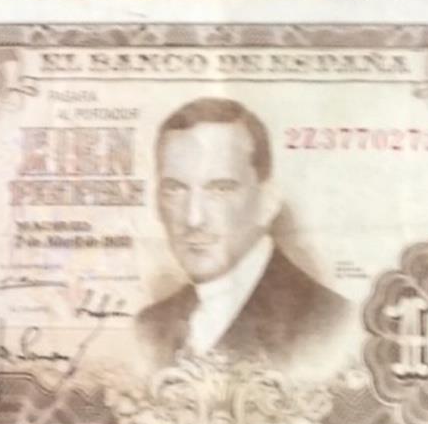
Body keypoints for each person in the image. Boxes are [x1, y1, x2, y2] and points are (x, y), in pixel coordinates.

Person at [116, 95, 351, 374]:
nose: (194, 218)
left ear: (268, 202)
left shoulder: (331, 324)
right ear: (156, 200)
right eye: (175, 189)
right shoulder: (149, 326)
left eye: (220, 189)